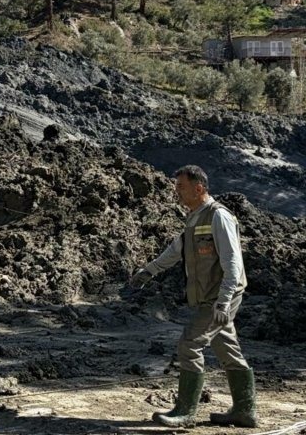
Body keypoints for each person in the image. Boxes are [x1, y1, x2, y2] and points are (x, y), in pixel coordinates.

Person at [128, 165, 256, 427]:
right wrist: (148, 272)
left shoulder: (218, 216)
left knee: (190, 344)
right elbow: (175, 251)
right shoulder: (194, 218)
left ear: (199, 188)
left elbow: (233, 262)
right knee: (226, 347)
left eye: (181, 187)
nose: (177, 192)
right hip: (212, 296)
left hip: (220, 296)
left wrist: (223, 301)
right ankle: (244, 411)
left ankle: (185, 412)